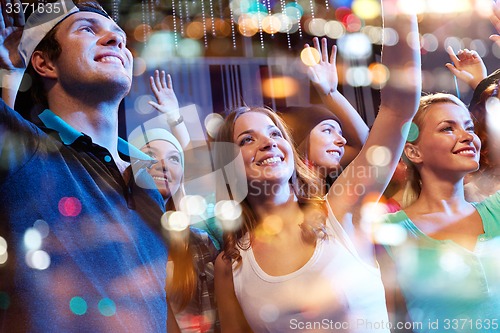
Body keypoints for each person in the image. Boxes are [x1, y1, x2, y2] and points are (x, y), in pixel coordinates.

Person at [213, 1, 421, 331]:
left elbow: (397, 110)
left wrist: (399, 11)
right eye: (246, 140)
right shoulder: (231, 263)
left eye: (274, 133)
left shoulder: (342, 209)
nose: (268, 143)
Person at [0, 1, 171, 331]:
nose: (115, 39)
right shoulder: (27, 153)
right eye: (88, 29)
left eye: (119, 35)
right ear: (45, 63)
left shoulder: (147, 181)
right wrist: (7, 74)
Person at [380, 93, 500, 333]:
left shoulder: (497, 209)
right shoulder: (390, 232)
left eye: (469, 128)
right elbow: (395, 325)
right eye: (448, 129)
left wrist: (481, 87)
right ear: (414, 152)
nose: (468, 137)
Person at [130, 70, 220, 332]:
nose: (162, 165)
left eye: (173, 159)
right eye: (149, 154)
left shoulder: (198, 240)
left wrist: (175, 118)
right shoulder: (118, 231)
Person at [280, 37, 369, 195]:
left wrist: (331, 93)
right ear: (299, 139)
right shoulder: (284, 194)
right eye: (328, 130)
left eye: (340, 133)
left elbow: (364, 145)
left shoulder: (325, 193)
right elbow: (364, 144)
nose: (342, 141)